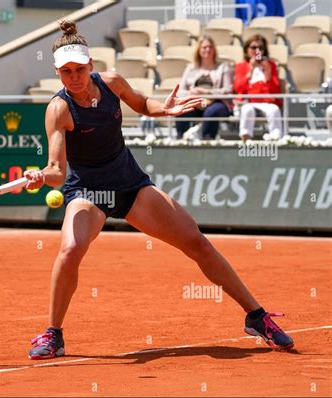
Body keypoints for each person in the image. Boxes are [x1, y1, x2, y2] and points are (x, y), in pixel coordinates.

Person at [24, 21, 294, 360]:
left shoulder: (112, 83)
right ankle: (54, 334)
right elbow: (56, 170)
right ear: (57, 73)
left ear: (91, 65)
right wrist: (41, 176)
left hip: (130, 185)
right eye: (66, 72)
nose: (74, 77)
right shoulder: (59, 109)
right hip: (88, 193)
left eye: (79, 69)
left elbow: (141, 102)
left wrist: (164, 109)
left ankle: (256, 317)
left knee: (196, 242)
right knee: (70, 250)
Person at [176, 36, 233, 140]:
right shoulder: (190, 68)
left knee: (211, 112)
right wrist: (190, 93)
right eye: (204, 47)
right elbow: (180, 91)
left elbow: (228, 90)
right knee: (181, 110)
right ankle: (181, 141)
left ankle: (207, 141)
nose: (208, 50)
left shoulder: (223, 67)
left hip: (217, 103)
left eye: (210, 47)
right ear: (199, 50)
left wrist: (206, 92)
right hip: (195, 102)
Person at [234, 34, 282, 141]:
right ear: (247, 50)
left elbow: (276, 90)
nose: (257, 50)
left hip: (266, 102)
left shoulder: (270, 65)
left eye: (260, 48)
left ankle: (275, 139)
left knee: (274, 110)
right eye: (253, 47)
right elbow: (238, 88)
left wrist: (268, 73)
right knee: (247, 110)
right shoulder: (241, 66)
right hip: (248, 102)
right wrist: (250, 70)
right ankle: (246, 139)